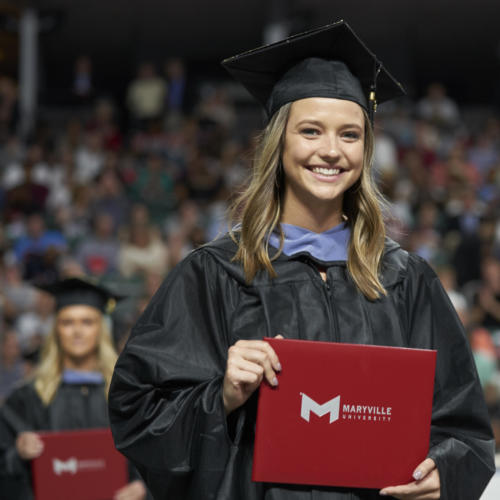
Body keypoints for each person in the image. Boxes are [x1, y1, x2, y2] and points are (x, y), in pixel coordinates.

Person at [108, 21, 495, 500]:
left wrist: (447, 471)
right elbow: (137, 411)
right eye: (310, 131)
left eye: (350, 135)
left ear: (366, 148)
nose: (331, 151)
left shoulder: (404, 280)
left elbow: (465, 429)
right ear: (279, 143)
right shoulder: (215, 274)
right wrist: (221, 396)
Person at [0, 278, 148, 500]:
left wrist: (142, 488)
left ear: (101, 329)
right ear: (56, 330)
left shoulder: (127, 394)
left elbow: (154, 459)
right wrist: (18, 453)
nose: (77, 331)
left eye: (87, 322)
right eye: (67, 322)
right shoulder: (29, 397)